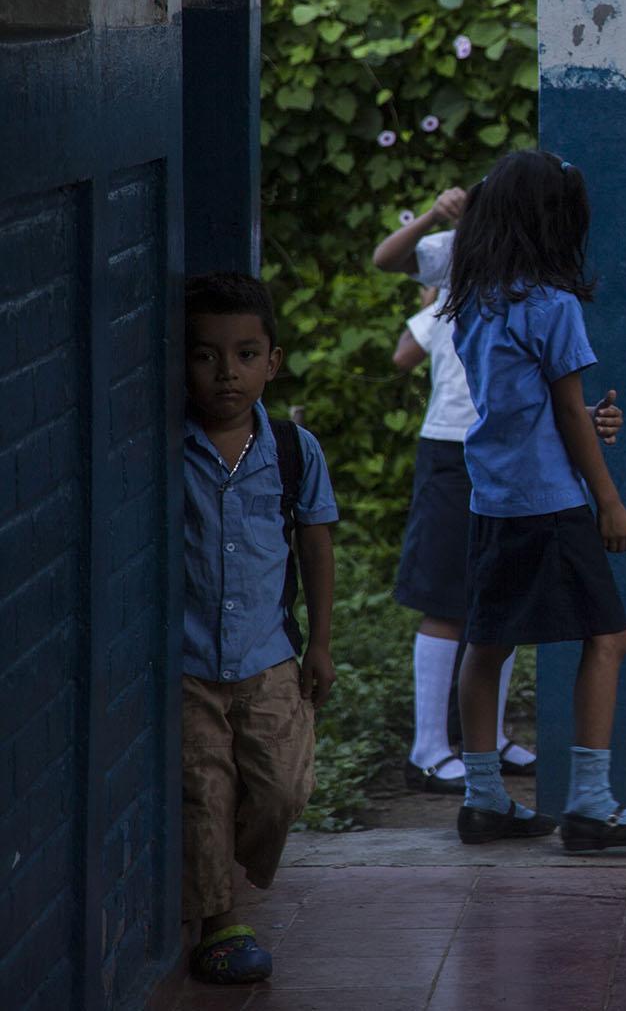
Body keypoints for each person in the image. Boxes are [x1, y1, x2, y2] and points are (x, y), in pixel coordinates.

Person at [441, 150, 626, 852]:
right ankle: (590, 804)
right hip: (552, 502)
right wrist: (610, 500)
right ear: (555, 226)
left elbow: (531, 405)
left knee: (487, 645)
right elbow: (570, 414)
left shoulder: (474, 302)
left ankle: (483, 800)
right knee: (608, 638)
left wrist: (580, 419)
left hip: (494, 498)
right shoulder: (553, 306)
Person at [376, 195, 623, 794]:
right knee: (451, 602)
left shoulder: (524, 293)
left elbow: (532, 399)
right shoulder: (465, 273)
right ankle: (431, 750)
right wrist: (434, 217)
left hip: (510, 455)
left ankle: (482, 756)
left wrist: (581, 417)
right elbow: (389, 267)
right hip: (456, 448)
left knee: (495, 614)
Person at [181, 273, 338, 983]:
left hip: (269, 656)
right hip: (187, 662)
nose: (226, 373)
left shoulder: (293, 448)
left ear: (272, 361)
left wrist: (322, 643)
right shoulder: (167, 449)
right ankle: (219, 921)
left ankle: (222, 873)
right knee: (203, 788)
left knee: (280, 791)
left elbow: (315, 542)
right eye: (206, 355)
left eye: (246, 354)